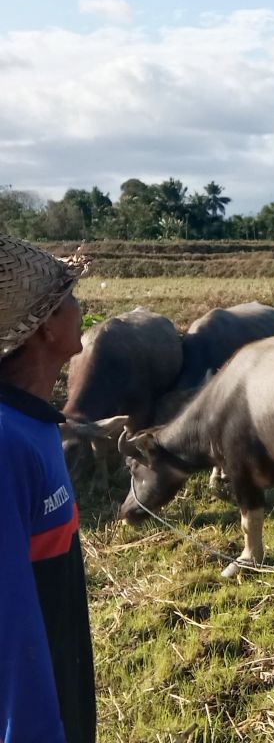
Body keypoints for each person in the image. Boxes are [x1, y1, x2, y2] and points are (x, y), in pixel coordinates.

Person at [1, 234, 95, 743]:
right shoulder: (5, 444)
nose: (82, 309)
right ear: (43, 328)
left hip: (64, 680)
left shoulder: (31, 425)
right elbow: (8, 626)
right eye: (70, 299)